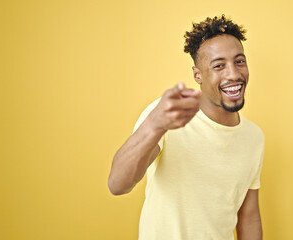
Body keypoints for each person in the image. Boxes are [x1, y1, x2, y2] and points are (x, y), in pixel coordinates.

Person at [108, 15, 265, 240]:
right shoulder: (167, 116)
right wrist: (154, 125)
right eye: (219, 65)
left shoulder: (254, 137)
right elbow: (118, 184)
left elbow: (248, 217)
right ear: (197, 75)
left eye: (239, 61)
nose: (233, 74)